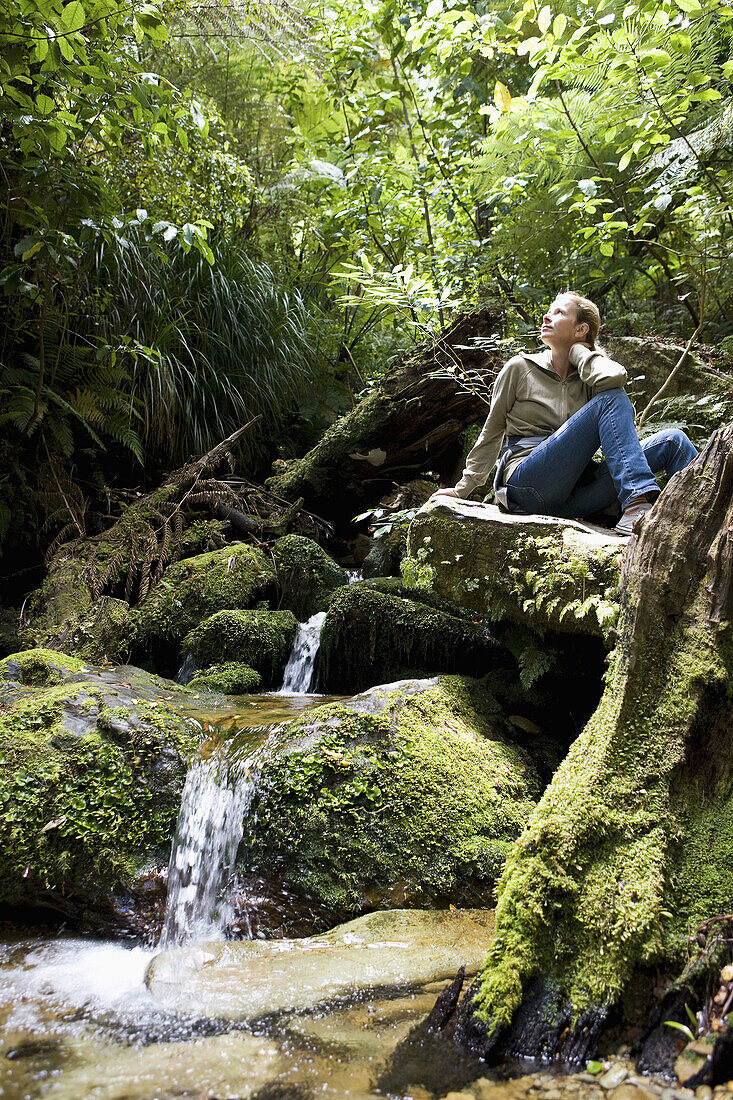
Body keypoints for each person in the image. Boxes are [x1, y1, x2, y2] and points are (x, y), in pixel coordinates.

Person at [431, 292, 698, 536]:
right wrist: (463, 488)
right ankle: (637, 504)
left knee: (673, 441)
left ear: (581, 329)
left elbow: (615, 377)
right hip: (528, 485)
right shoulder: (519, 368)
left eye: (559, 313)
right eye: (549, 311)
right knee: (611, 400)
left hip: (574, 497)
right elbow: (492, 431)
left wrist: (580, 354)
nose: (547, 316)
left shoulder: (589, 377)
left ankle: (701, 523)